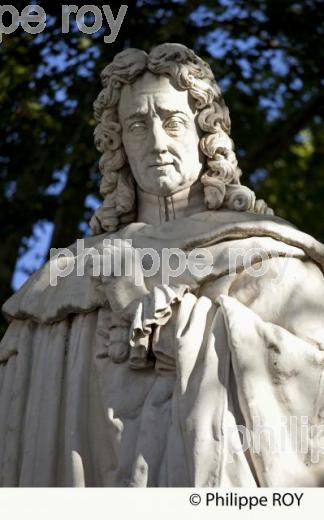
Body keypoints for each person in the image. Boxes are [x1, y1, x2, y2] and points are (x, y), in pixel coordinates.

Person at [1, 43, 324, 487]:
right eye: (136, 126)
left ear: (205, 133)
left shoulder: (271, 259)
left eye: (173, 122)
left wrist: (186, 329)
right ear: (118, 144)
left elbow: (313, 388)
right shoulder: (63, 281)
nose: (156, 143)